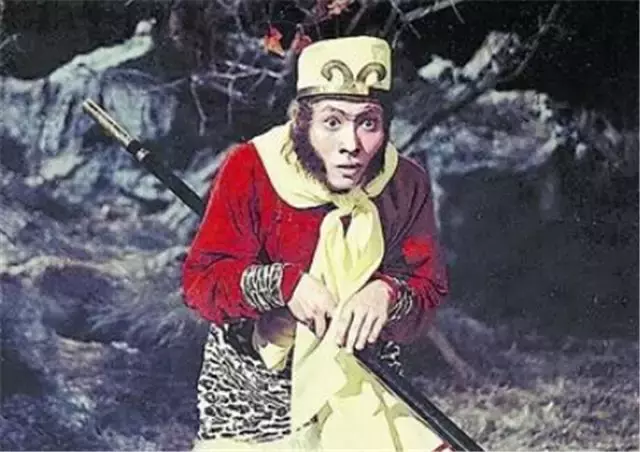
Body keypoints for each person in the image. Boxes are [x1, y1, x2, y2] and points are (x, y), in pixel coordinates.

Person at [182, 35, 449, 451]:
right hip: (260, 394)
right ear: (302, 121)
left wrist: (386, 293)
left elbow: (426, 287)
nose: (351, 144)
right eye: (332, 122)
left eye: (368, 123)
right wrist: (283, 285)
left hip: (363, 380)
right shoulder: (252, 167)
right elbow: (201, 283)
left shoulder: (404, 183)